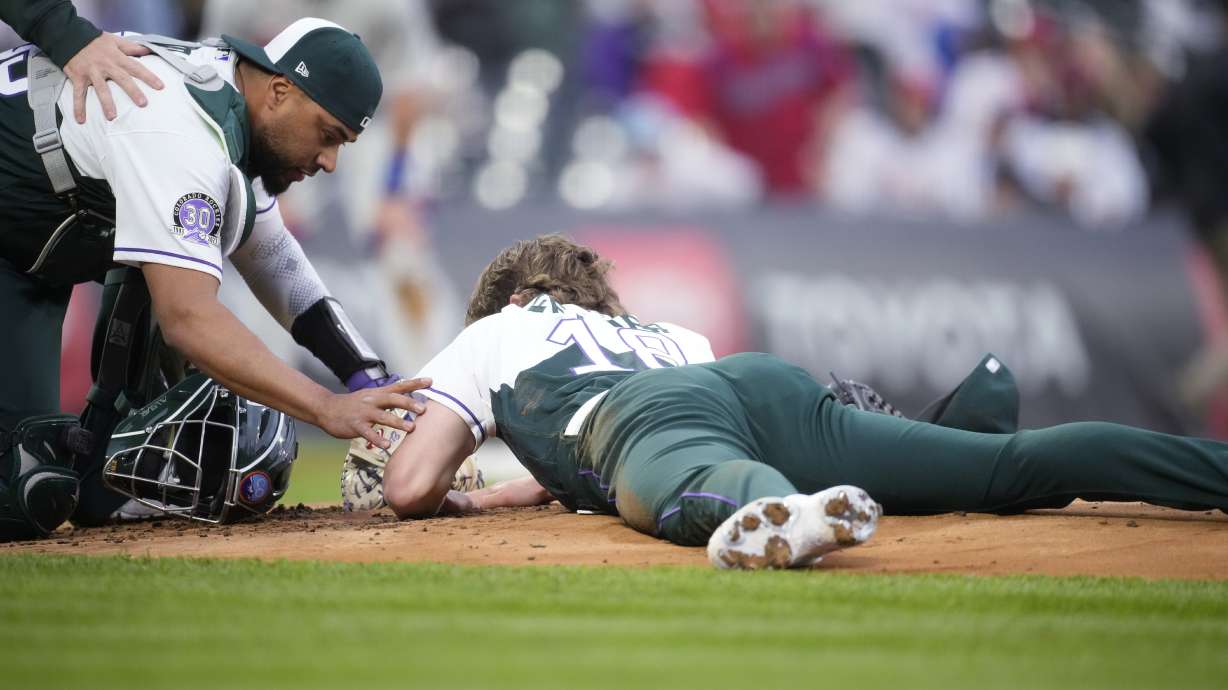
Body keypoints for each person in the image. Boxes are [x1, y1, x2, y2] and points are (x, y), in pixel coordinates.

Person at [354, 234, 1228, 570]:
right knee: (1012, 467)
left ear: (511, 302)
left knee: (708, 483)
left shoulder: (492, 337)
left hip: (643, 426)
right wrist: (498, 493)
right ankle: (1205, 470)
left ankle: (787, 514)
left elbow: (407, 485)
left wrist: (442, 491)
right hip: (755, 382)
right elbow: (569, 471)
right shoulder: (660, 331)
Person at [0, 17, 430, 537]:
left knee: (30, 496)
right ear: (279, 91)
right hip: (18, 244)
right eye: (328, 134)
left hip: (24, 263)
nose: (330, 161)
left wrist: (375, 384)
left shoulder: (224, 111)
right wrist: (326, 407)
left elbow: (278, 263)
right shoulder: (182, 128)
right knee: (23, 489)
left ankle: (101, 457)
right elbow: (188, 318)